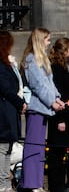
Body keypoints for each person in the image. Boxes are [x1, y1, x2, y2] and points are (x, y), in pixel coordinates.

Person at [20, 28, 66, 191]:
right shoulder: (32, 60)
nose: (49, 43)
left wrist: (57, 98)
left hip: (44, 108)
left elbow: (49, 83)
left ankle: (37, 182)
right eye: (47, 39)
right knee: (34, 147)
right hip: (36, 108)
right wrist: (51, 102)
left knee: (40, 148)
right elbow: (38, 85)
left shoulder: (42, 59)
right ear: (40, 40)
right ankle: (31, 183)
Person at [48, 37, 69, 192]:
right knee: (57, 154)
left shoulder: (65, 67)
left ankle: (61, 183)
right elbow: (58, 94)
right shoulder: (56, 69)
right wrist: (60, 119)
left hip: (67, 114)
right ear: (65, 50)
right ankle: (56, 185)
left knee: (61, 154)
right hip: (60, 116)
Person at [0, 31, 27, 191]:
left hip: (9, 112)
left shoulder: (7, 64)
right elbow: (6, 88)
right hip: (3, 114)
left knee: (8, 150)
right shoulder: (2, 66)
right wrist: (20, 103)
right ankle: (2, 185)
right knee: (2, 150)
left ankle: (5, 185)